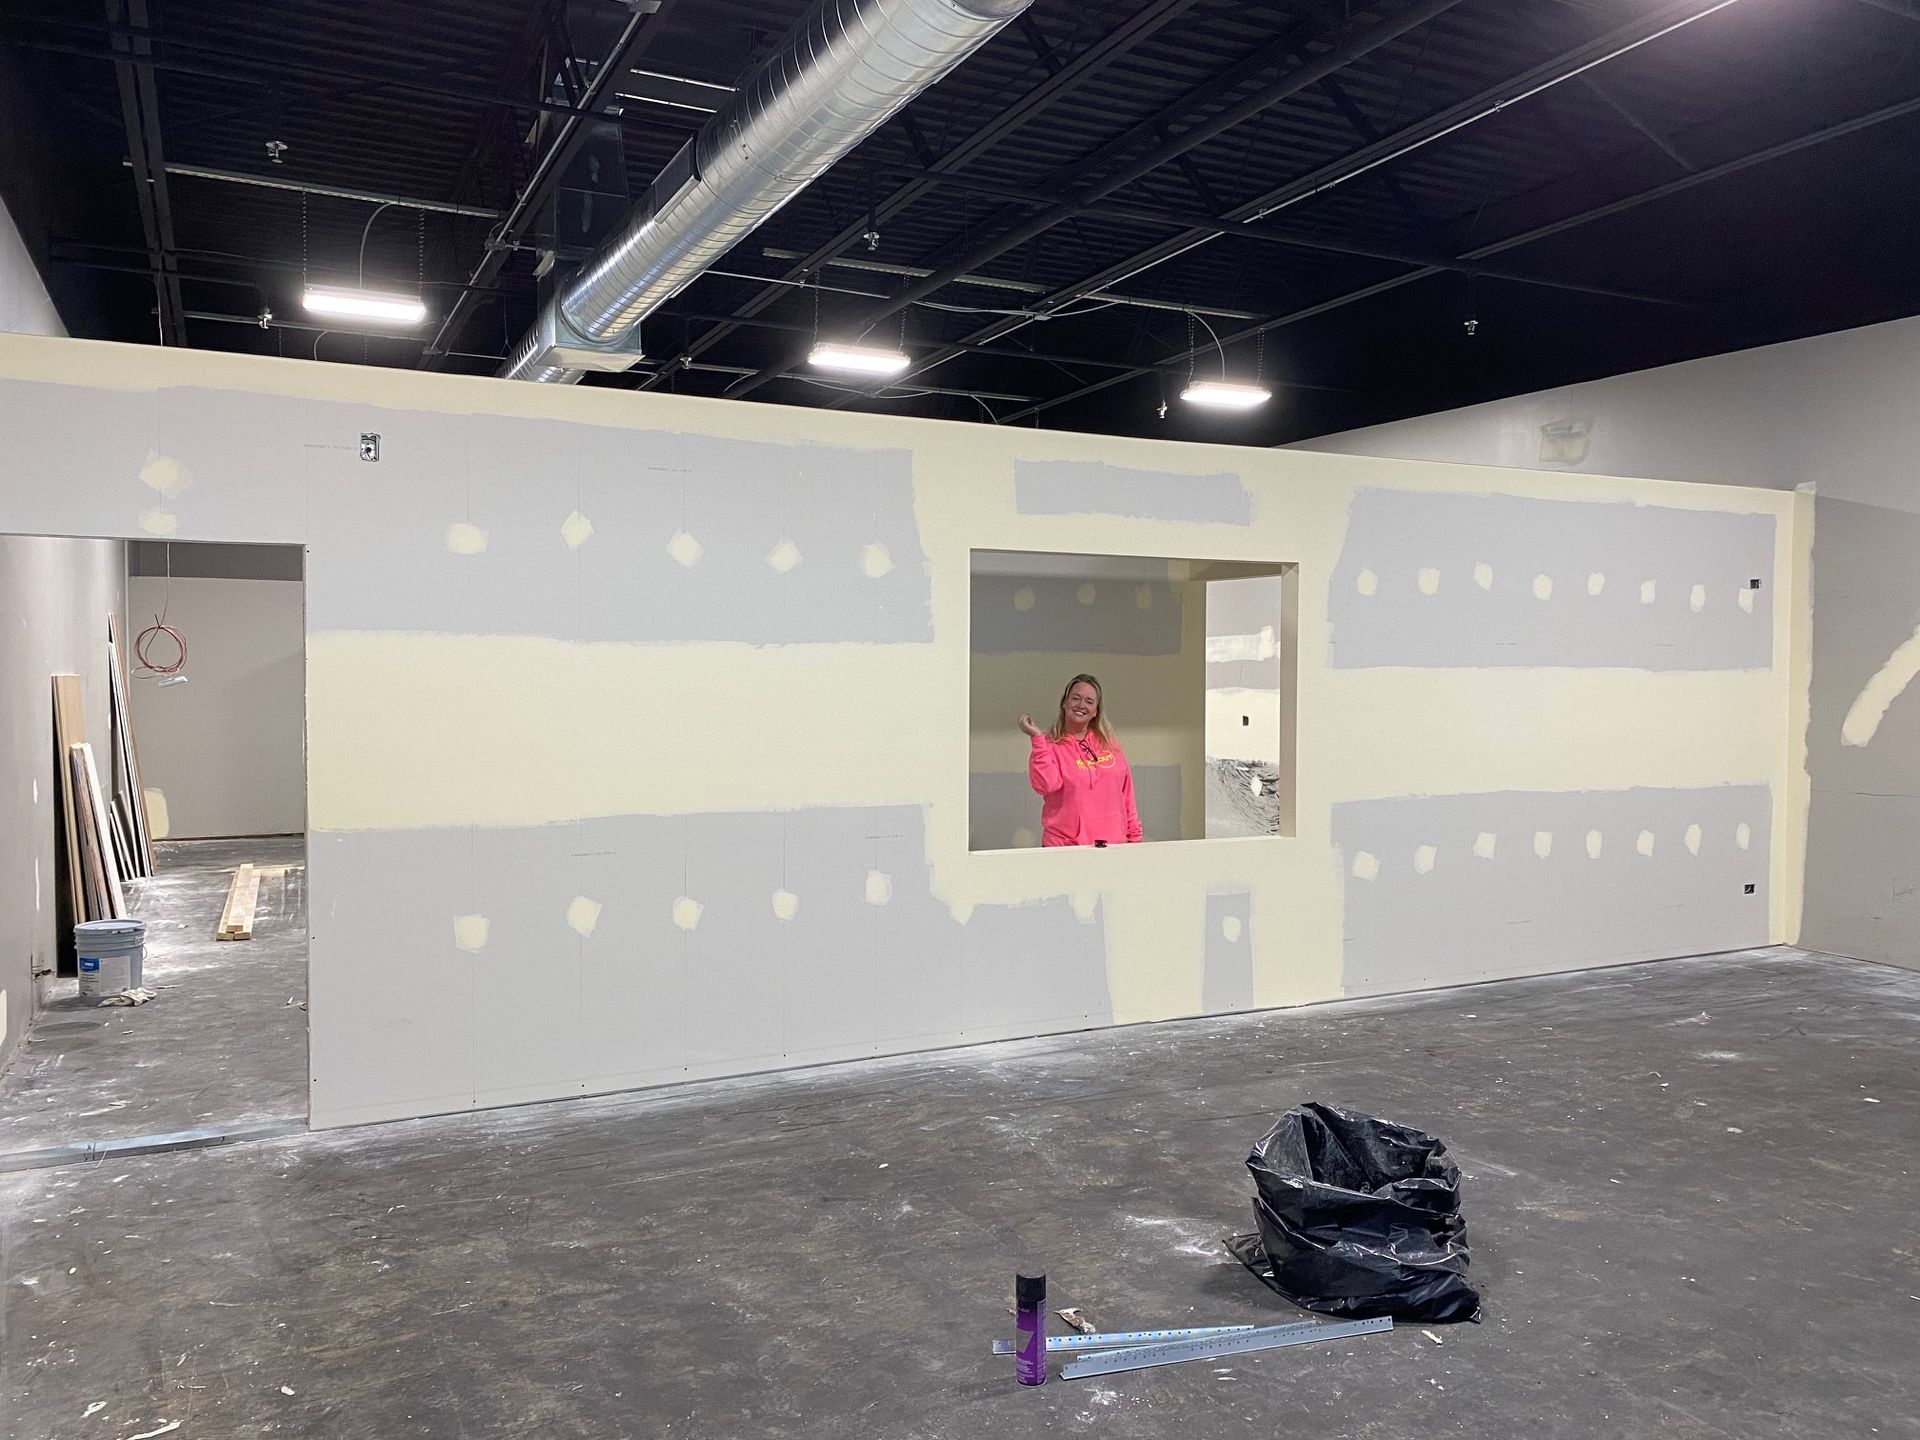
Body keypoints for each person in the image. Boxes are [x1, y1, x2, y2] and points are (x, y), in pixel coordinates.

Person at [1019, 673, 1143, 848]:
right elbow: (1047, 785)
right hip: (1065, 849)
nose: (1081, 705)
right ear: (1064, 703)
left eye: (1089, 701)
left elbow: (1126, 795)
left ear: (1096, 711)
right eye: (1075, 698)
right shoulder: (1048, 745)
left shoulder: (1109, 743)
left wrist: (1135, 841)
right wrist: (1037, 738)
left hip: (1113, 848)